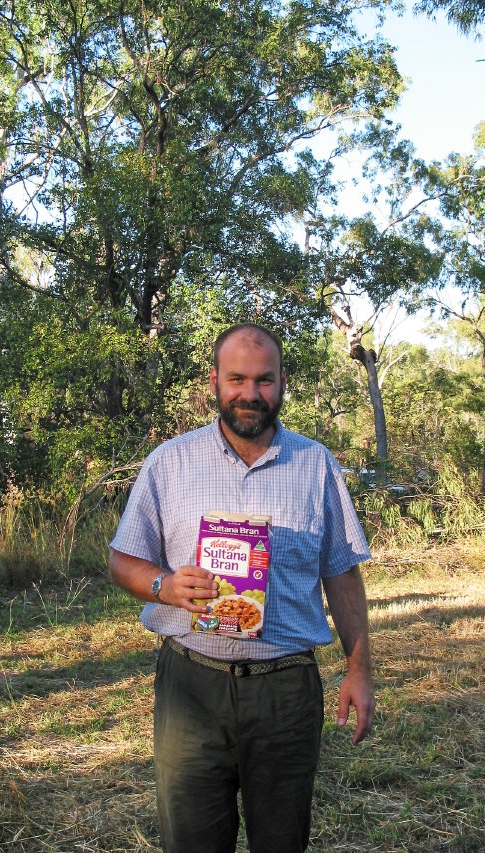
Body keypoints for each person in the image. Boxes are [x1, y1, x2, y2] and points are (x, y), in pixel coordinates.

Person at [109, 322, 375, 853]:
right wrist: (165, 585)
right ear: (214, 381)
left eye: (264, 380)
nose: (250, 394)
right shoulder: (170, 461)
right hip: (191, 685)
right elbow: (122, 560)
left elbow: (342, 572)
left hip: (285, 691)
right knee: (192, 842)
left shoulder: (315, 464)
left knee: (282, 841)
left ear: (282, 384)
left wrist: (359, 670)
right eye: (237, 379)